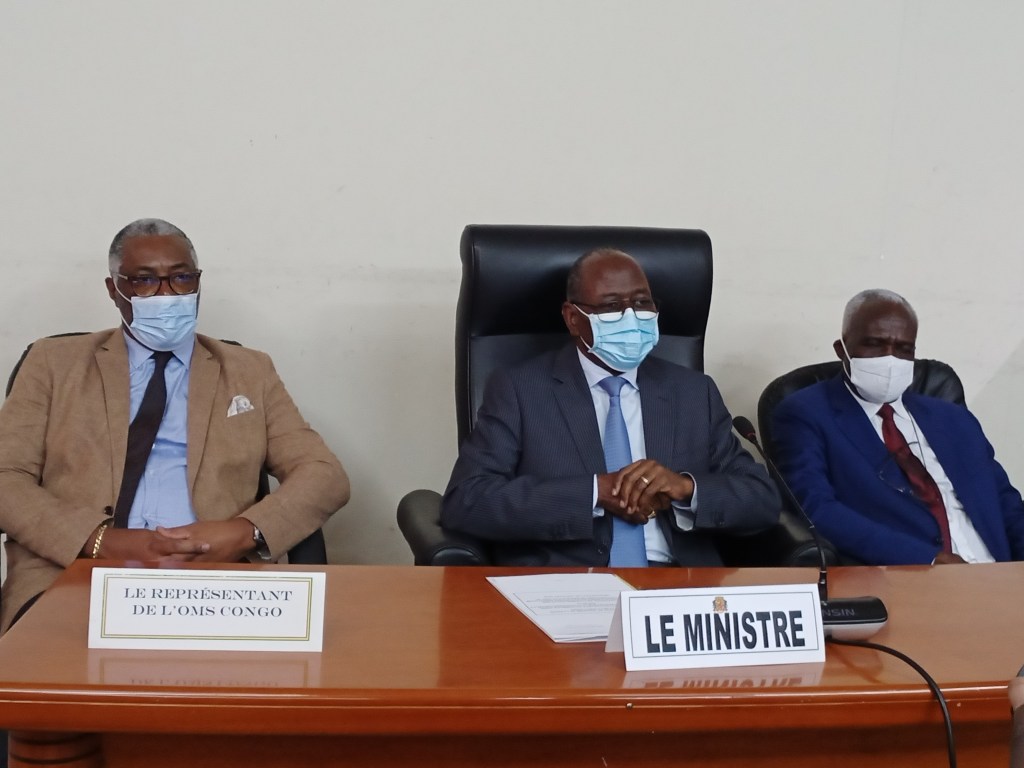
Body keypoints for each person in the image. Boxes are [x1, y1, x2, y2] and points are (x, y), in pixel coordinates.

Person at [0, 218, 350, 632]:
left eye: (181, 278)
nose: (166, 294)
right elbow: (6, 477)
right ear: (114, 290)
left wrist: (245, 533)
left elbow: (324, 475)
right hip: (76, 571)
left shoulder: (249, 370)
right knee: (60, 665)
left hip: (217, 577)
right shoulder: (53, 363)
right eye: (145, 281)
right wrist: (101, 541)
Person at [440, 248, 779, 566]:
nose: (631, 316)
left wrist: (685, 488)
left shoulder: (693, 392)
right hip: (567, 582)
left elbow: (761, 499)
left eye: (642, 302)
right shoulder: (520, 390)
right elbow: (468, 500)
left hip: (677, 583)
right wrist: (595, 493)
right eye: (611, 306)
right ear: (573, 318)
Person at [772, 288, 1024, 565]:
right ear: (841, 349)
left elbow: (1006, 503)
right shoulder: (805, 413)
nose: (890, 359)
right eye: (874, 344)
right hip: (909, 575)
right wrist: (927, 559)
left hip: (998, 575)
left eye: (904, 349)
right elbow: (816, 509)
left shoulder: (954, 418)